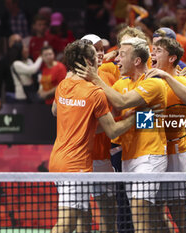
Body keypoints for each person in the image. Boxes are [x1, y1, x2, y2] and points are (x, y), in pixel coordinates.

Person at [75, 37, 168, 233]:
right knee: (150, 217)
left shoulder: (154, 84)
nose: (117, 60)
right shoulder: (121, 84)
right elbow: (112, 119)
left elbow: (123, 102)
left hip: (150, 155)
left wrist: (96, 78)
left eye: (122, 55)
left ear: (137, 61)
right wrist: (82, 129)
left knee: (140, 214)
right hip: (128, 158)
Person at [49, 39, 135, 233]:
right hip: (76, 166)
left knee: (78, 219)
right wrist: (136, 119)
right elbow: (112, 130)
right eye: (94, 54)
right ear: (88, 62)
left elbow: (57, 112)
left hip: (57, 161)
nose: (99, 57)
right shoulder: (95, 93)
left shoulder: (63, 85)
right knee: (66, 224)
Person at [150, 37, 186, 233]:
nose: (153, 53)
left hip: (176, 152)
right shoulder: (149, 80)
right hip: (155, 151)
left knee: (177, 211)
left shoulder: (181, 80)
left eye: (158, 50)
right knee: (154, 211)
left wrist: (167, 77)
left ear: (172, 58)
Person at [81, 33, 118, 233]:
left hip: (103, 156)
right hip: (80, 158)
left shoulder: (109, 74)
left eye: (103, 49)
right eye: (96, 50)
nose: (101, 53)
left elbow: (119, 106)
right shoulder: (74, 79)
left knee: (107, 211)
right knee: (82, 214)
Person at [0, 34, 21, 110]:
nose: (17, 44)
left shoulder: (26, 58)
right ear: (9, 44)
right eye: (15, 42)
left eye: (19, 42)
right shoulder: (4, 60)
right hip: (11, 96)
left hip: (26, 96)